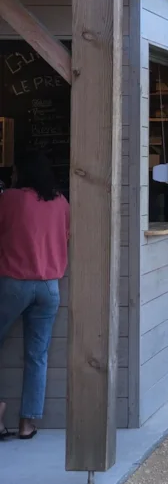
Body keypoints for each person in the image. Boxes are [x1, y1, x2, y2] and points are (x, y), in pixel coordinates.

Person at [0, 151, 70, 440]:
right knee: (37, 356)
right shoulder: (61, 202)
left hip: (14, 283)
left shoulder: (10, 199)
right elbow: (65, 237)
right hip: (49, 286)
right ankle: (28, 423)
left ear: (22, 172)